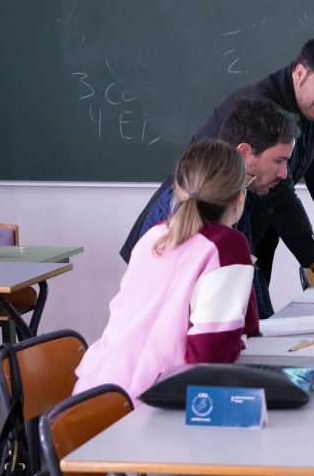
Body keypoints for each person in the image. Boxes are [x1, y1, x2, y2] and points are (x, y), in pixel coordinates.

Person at [120, 36, 314, 313]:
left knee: (252, 314)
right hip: (184, 228)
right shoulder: (261, 109)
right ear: (300, 72)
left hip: (243, 228)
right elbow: (281, 196)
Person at [75, 138, 259, 406]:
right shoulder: (226, 246)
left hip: (95, 395)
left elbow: (249, 326)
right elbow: (210, 358)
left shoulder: (154, 235)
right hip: (149, 405)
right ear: (240, 196)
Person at [124, 98, 298, 318]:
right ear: (244, 153)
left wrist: (265, 324)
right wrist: (258, 326)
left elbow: (249, 288)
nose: (284, 173)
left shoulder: (241, 192)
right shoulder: (185, 209)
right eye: (279, 161)